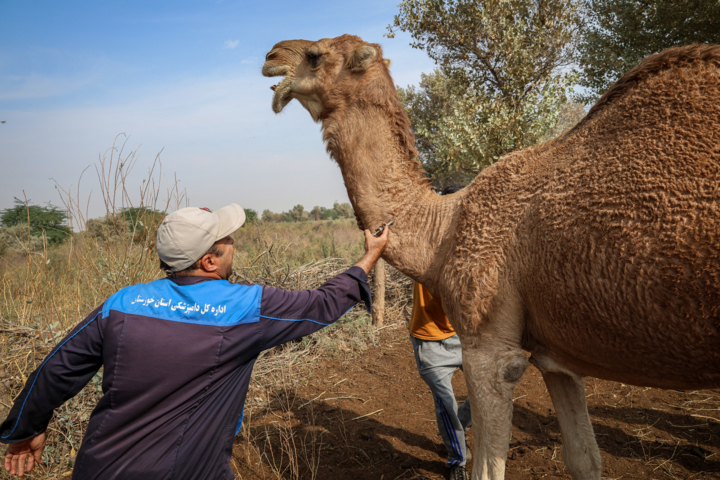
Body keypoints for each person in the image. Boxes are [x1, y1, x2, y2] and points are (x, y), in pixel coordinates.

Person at [1, 204, 389, 479]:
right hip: (187, 468)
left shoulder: (121, 304)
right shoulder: (245, 306)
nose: (234, 242)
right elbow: (323, 304)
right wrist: (368, 258)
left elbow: (55, 369)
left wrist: (24, 430)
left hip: (99, 467)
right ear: (209, 261)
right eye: (227, 238)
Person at [409, 184, 471, 480]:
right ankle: (457, 461)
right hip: (430, 337)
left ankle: (459, 426)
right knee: (445, 402)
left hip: (465, 335)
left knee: (492, 385)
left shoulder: (472, 242)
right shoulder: (425, 242)